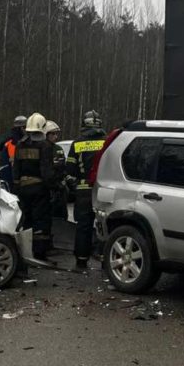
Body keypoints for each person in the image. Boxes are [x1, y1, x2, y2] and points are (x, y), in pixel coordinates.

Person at [66, 110, 107, 268]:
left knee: (83, 225)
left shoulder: (77, 143)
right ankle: (104, 259)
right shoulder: (107, 142)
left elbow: (69, 169)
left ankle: (81, 260)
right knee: (104, 225)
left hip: (83, 191)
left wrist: (74, 186)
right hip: (103, 190)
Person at [13, 113, 55, 260]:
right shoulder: (45, 146)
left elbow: (16, 168)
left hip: (23, 189)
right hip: (39, 189)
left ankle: (25, 252)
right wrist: (53, 187)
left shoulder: (20, 144)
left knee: (27, 220)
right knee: (40, 221)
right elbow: (46, 170)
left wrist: (17, 187)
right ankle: (40, 253)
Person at [45, 121, 68, 220]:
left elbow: (63, 167)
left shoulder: (58, 149)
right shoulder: (42, 149)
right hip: (47, 188)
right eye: (52, 134)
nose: (55, 137)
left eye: (56, 134)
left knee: (61, 214)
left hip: (59, 187)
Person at [0, 115, 27, 190]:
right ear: (21, 128)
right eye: (26, 127)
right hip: (9, 181)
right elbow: (14, 162)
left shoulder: (9, 138)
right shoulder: (13, 142)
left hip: (5, 178)